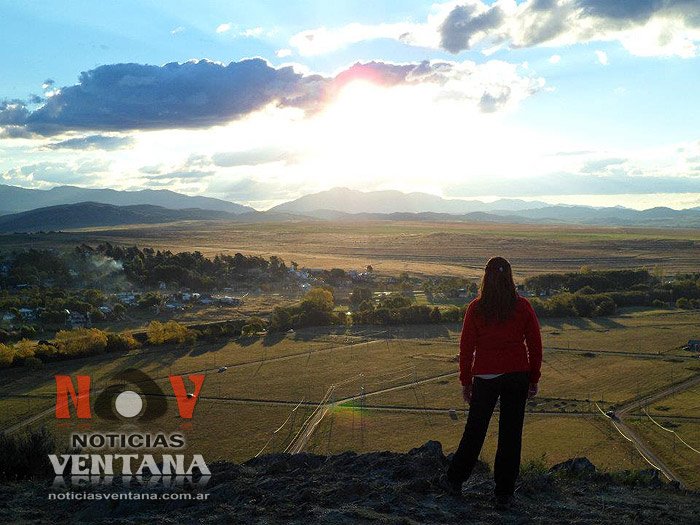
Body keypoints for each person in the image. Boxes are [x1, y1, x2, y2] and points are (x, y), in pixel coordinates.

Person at [440, 256, 542, 510]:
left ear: (485, 278)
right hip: (517, 375)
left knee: (474, 431)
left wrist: (466, 380)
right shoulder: (523, 307)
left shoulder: (476, 308)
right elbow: (535, 345)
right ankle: (504, 494)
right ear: (510, 277)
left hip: (485, 377)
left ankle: (454, 480)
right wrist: (534, 376)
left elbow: (466, 348)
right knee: (511, 435)